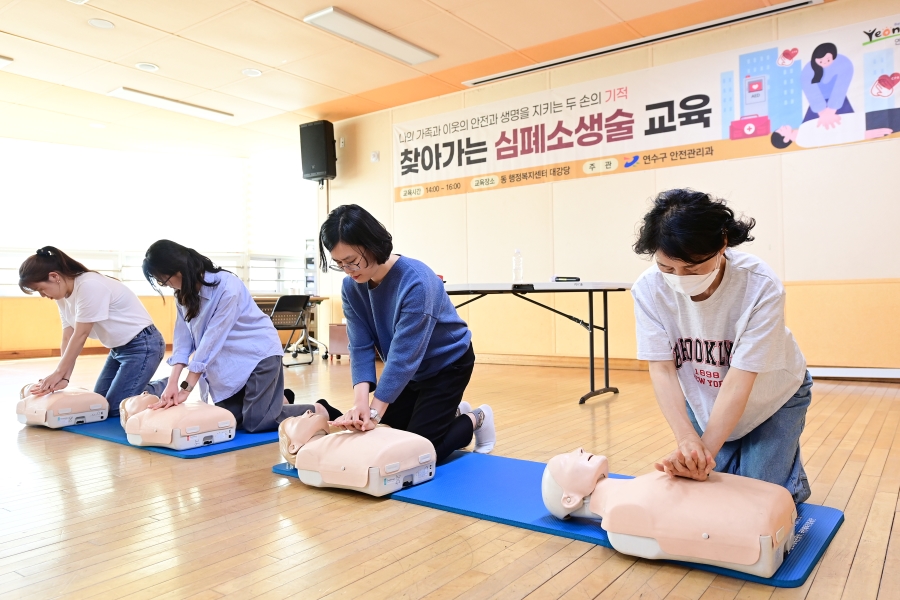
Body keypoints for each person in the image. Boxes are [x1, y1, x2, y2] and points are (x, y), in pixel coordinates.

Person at [630, 190, 811, 504]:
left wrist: (703, 457)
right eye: (667, 268)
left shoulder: (759, 284)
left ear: (722, 244)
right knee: (708, 488)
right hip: (705, 395)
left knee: (760, 497)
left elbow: (740, 380)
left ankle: (787, 474)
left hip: (774, 395)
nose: (679, 278)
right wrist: (688, 441)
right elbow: (662, 369)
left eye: (692, 268)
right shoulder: (648, 288)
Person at [318, 204, 495, 462]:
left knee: (418, 451)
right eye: (339, 264)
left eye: (352, 262)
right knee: (393, 435)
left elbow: (404, 357)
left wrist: (375, 413)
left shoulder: (417, 282)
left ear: (371, 245)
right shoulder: (351, 288)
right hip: (410, 371)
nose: (348, 270)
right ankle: (451, 413)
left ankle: (477, 418)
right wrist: (361, 404)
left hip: (447, 364)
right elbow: (360, 346)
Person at [141, 240, 328, 432]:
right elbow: (183, 340)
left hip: (258, 354)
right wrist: (172, 384)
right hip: (229, 362)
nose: (166, 286)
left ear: (178, 268)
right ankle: (279, 399)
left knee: (256, 422)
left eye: (164, 280)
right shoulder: (182, 295)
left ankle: (318, 409)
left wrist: (186, 389)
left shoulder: (226, 285)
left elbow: (211, 341)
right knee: (229, 419)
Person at [18, 246, 165, 418]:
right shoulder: (63, 297)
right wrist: (64, 377)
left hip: (143, 345)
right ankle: (139, 388)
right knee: (99, 404)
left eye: (41, 289)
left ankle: (168, 386)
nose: (43, 295)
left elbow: (81, 335)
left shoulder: (89, 285)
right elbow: (68, 337)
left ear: (54, 276)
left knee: (115, 409)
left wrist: (58, 373)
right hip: (118, 349)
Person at [801, 42, 854, 130]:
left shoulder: (843, 62)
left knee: (848, 126)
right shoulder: (808, 69)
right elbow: (810, 90)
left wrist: (831, 110)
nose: (824, 63)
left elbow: (841, 87)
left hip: (839, 101)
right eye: (820, 61)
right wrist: (822, 112)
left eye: (828, 60)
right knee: (811, 129)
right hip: (817, 104)